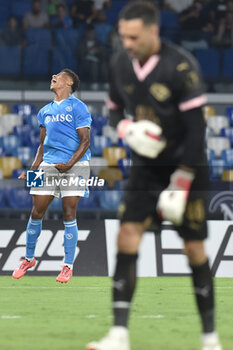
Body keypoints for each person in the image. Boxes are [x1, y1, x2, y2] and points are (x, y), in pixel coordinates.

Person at [86, 2, 222, 350]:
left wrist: (181, 182)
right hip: (146, 170)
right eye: (123, 37)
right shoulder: (119, 64)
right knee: (127, 236)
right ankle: (119, 335)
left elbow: (196, 131)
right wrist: (126, 128)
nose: (127, 43)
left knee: (194, 249)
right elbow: (114, 111)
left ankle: (210, 339)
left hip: (185, 167)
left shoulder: (181, 66)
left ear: (152, 31)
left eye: (133, 37)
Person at [12, 68, 91, 283]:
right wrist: (34, 168)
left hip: (76, 164)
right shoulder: (44, 111)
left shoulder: (78, 107)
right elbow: (42, 144)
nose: (53, 77)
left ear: (69, 84)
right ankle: (28, 258)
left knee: (68, 211)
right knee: (36, 211)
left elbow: (85, 141)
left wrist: (69, 164)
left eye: (59, 76)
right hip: (48, 164)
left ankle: (67, 266)